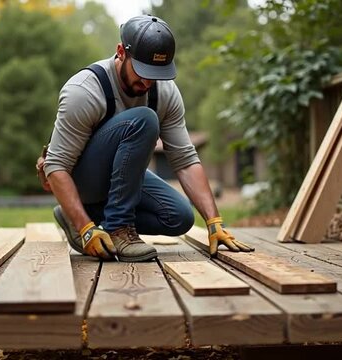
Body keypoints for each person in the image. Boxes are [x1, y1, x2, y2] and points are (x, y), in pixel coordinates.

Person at [37, 15, 254, 262]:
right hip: (82, 180)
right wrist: (86, 230)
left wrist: (214, 223)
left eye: (156, 72)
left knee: (179, 217)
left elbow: (184, 160)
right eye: (142, 71)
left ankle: (81, 214)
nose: (148, 81)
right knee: (144, 119)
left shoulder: (165, 93)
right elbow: (56, 165)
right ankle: (117, 229)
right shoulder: (85, 90)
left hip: (117, 181)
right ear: (121, 52)